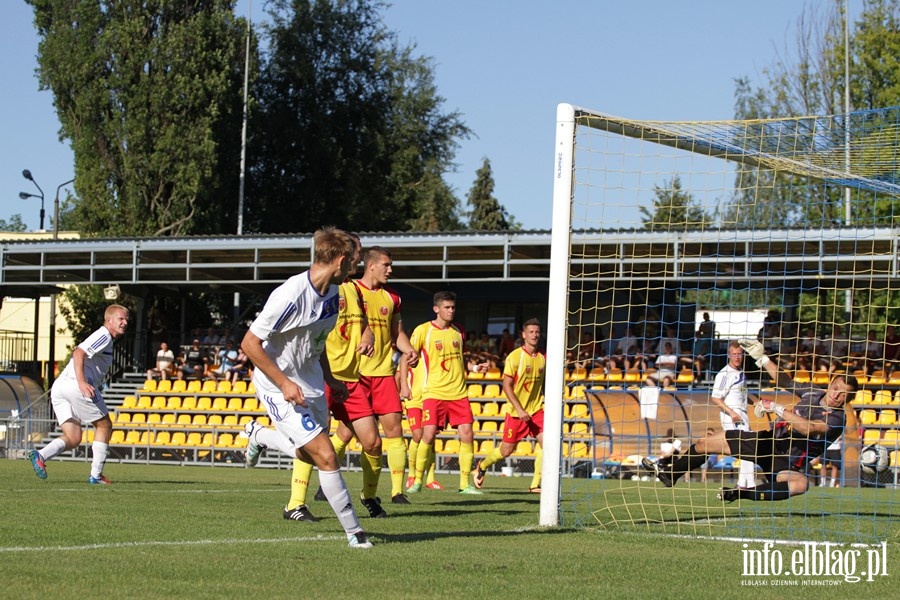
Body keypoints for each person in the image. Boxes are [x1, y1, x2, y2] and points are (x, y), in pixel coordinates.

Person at [241, 227, 373, 549]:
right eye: (355, 261)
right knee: (327, 455)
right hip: (277, 385)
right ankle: (356, 534)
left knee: (311, 454)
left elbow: (317, 342)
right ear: (341, 260)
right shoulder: (289, 295)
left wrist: (329, 379)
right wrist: (284, 383)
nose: (357, 267)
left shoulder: (333, 294)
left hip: (311, 381)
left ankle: (259, 436)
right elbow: (249, 343)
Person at [644, 338, 857, 502]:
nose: (836, 395)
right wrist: (763, 359)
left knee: (801, 484)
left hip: (787, 462)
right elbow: (786, 381)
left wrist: (776, 408)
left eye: (843, 394)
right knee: (704, 443)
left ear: (848, 399)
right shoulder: (813, 392)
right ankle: (671, 474)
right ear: (831, 384)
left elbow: (809, 429)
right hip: (767, 442)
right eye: (836, 388)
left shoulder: (838, 418)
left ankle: (741, 494)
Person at [281, 233, 371, 523]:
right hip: (319, 374)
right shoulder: (320, 288)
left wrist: (368, 333)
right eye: (358, 254)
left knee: (371, 440)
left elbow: (363, 322)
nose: (360, 259)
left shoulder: (355, 291)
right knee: (314, 442)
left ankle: (370, 497)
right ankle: (296, 503)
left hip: (349, 377)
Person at [329, 246, 419, 513]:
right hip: (354, 374)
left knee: (392, 433)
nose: (390, 270)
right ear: (371, 265)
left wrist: (409, 348)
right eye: (387, 265)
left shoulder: (393, 298)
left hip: (382, 374)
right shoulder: (349, 290)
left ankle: (395, 491)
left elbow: (396, 334)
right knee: (344, 433)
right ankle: (325, 480)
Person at [28, 304, 130, 484]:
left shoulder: (106, 338)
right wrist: (82, 382)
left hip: (60, 386)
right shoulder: (104, 335)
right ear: (109, 320)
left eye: (126, 319)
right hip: (76, 384)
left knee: (74, 437)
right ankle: (96, 476)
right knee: (104, 425)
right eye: (121, 319)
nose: (125, 322)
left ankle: (40, 455)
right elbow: (79, 353)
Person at [406, 291, 482, 495]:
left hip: (458, 393)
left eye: (453, 307)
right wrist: (405, 384)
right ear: (436, 309)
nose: (451, 311)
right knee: (428, 435)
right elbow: (408, 356)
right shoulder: (423, 331)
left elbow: (460, 359)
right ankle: (418, 480)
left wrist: (474, 369)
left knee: (467, 434)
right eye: (447, 307)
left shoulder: (459, 331)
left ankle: (465, 484)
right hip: (434, 392)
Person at [472, 318, 545, 492]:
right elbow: (506, 385)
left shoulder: (543, 357)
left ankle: (535, 484)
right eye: (531, 332)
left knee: (548, 445)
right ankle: (482, 466)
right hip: (516, 413)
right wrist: (520, 409)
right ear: (524, 335)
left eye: (537, 332)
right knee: (506, 451)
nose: (534, 335)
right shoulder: (515, 356)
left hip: (536, 411)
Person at [705, 340, 756, 489]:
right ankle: (749, 484)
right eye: (734, 354)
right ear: (729, 355)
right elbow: (715, 397)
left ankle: (743, 484)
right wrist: (732, 412)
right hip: (733, 415)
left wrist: (756, 402)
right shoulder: (725, 374)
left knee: (747, 448)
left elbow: (741, 394)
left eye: (739, 354)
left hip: (742, 414)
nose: (737, 357)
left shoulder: (740, 373)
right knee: (749, 447)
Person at [398, 351, 443, 491]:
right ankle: (412, 474)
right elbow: (398, 375)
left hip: (431, 398)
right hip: (413, 400)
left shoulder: (433, 355)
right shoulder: (410, 356)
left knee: (431, 439)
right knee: (417, 435)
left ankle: (430, 479)